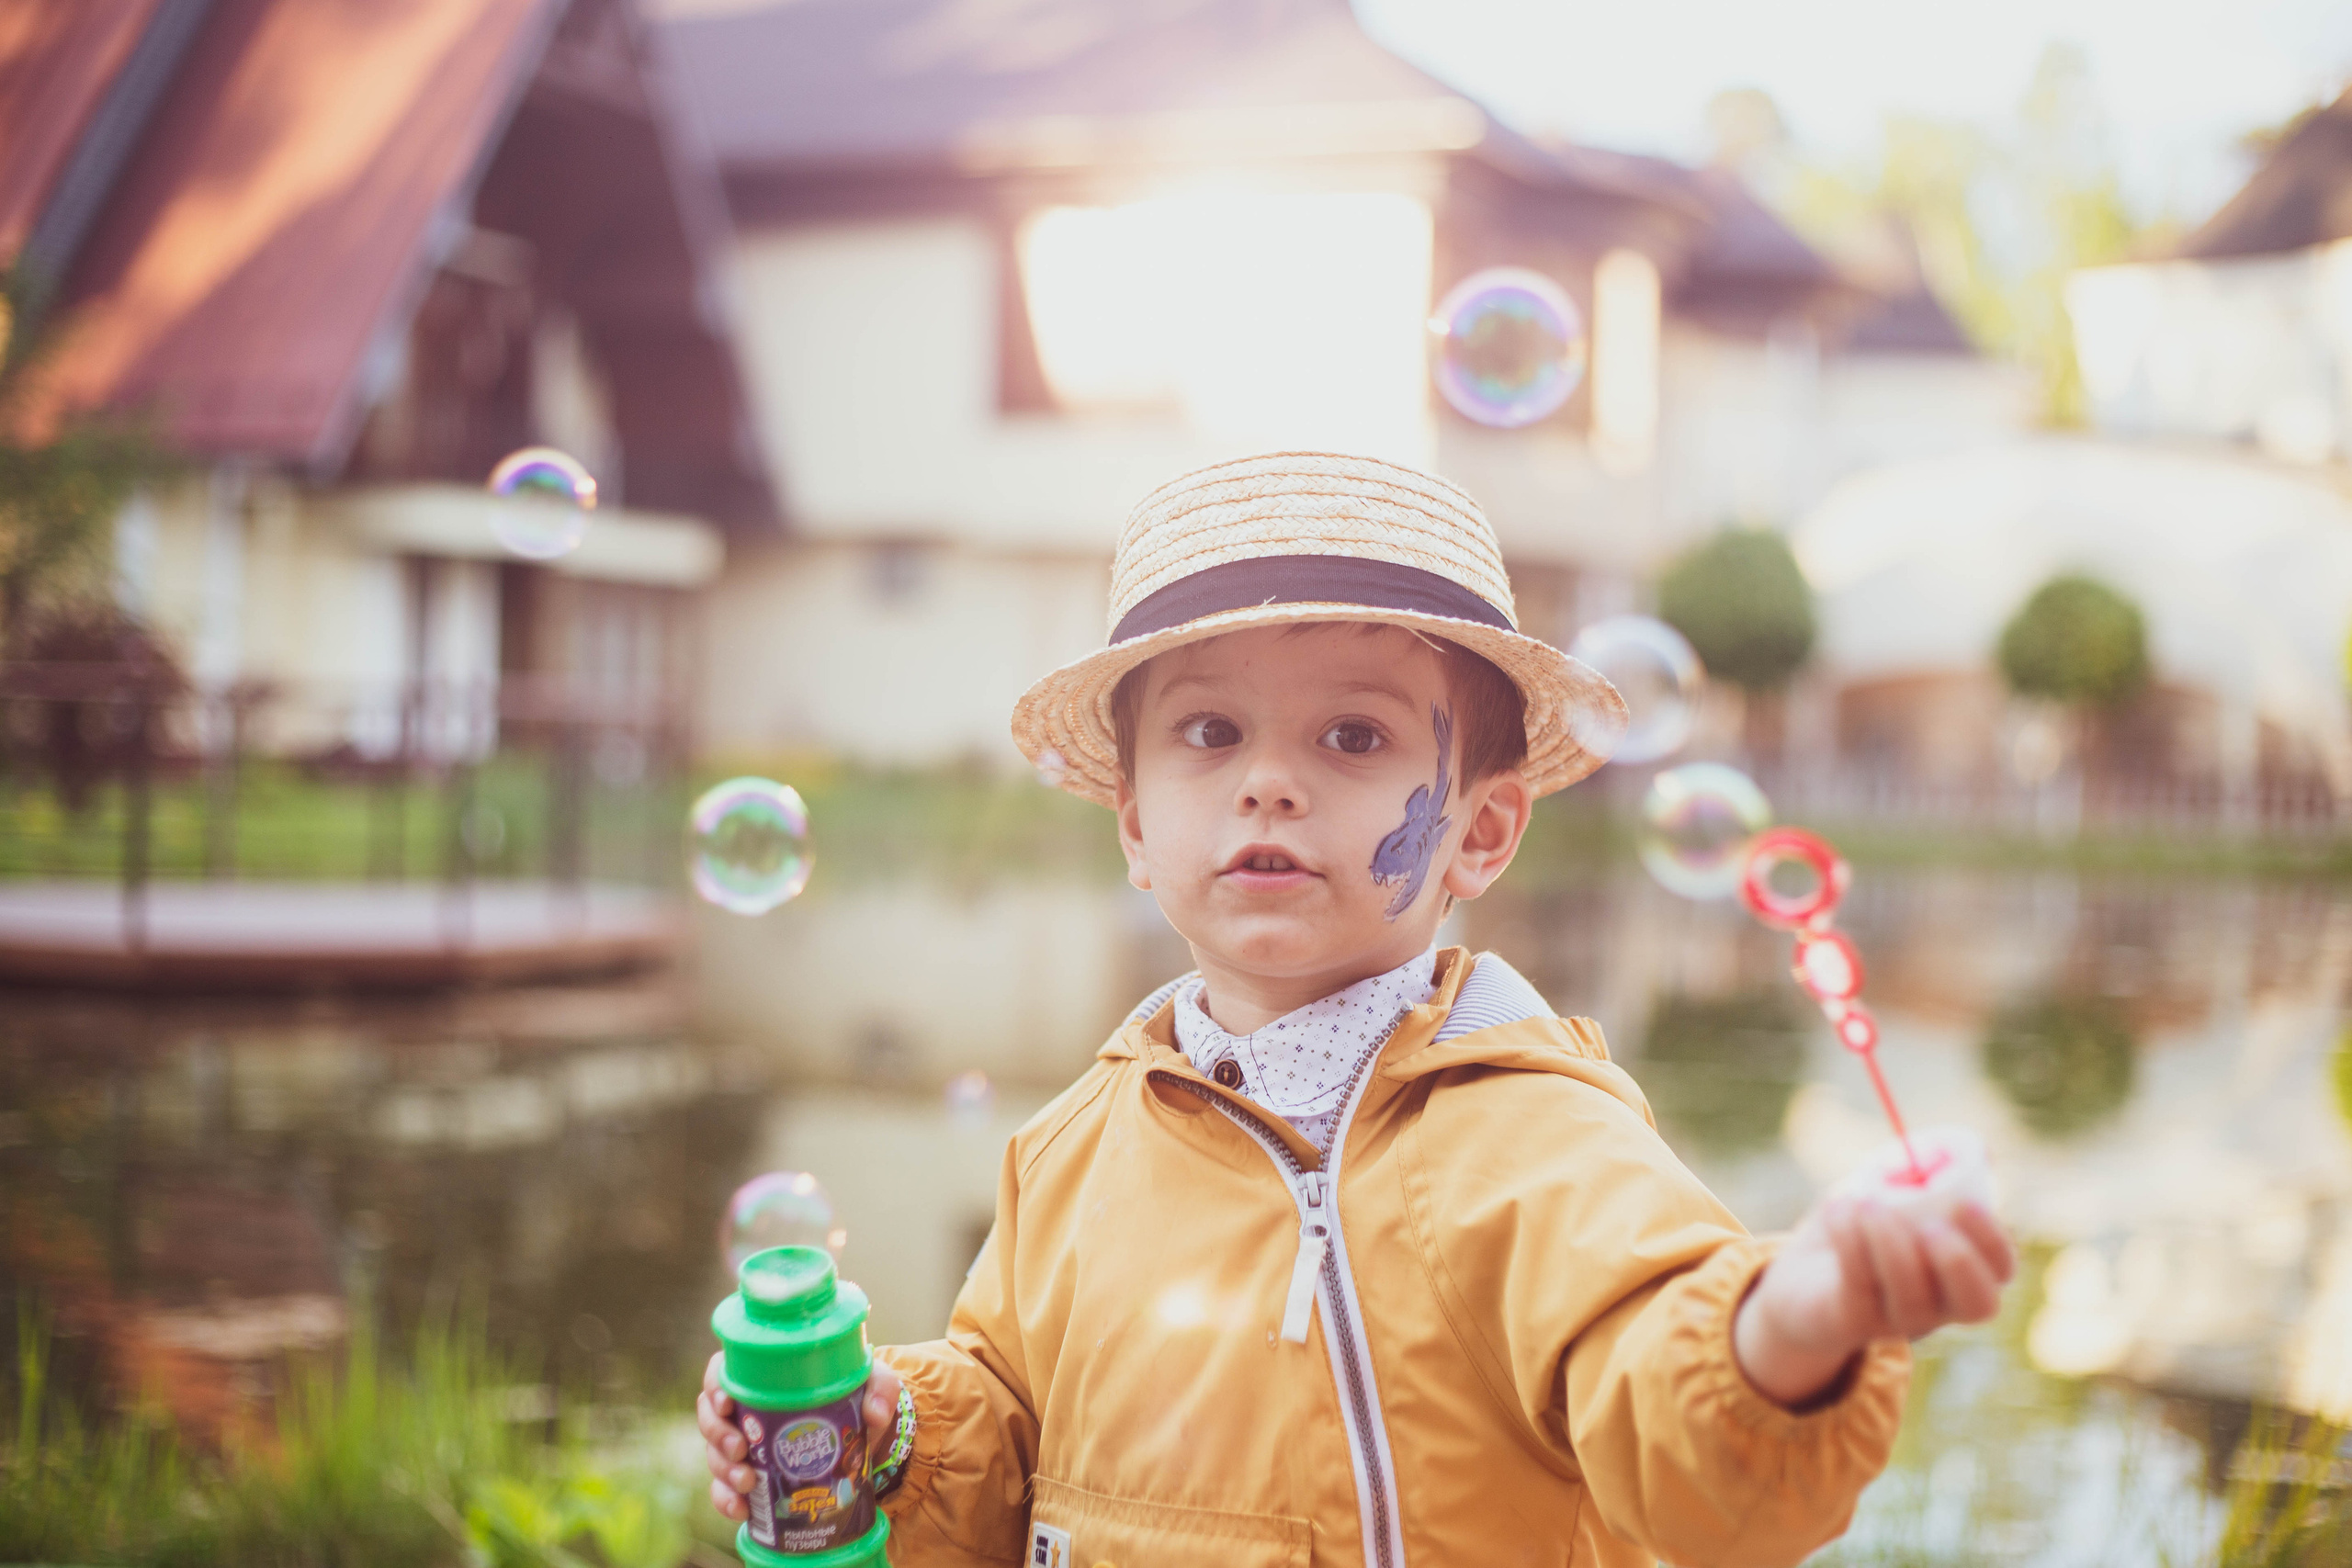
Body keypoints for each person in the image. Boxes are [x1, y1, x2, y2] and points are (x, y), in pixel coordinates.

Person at [698, 452, 2014, 1567]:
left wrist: (1803, 1311)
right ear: (1139, 826)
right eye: (1210, 734)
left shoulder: (1532, 1141)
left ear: (1482, 830)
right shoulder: (1075, 1148)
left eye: (1354, 739)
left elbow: (1678, 1406)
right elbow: (1007, 1430)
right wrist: (887, 1432)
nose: (1268, 782)